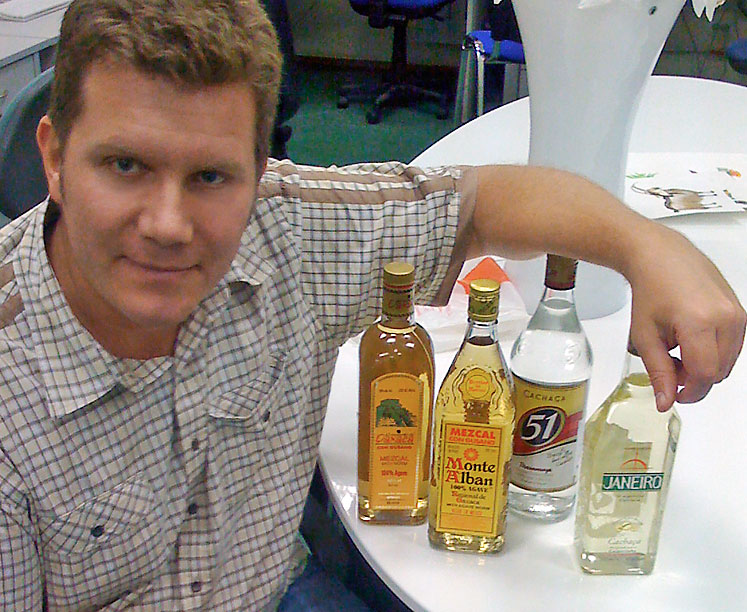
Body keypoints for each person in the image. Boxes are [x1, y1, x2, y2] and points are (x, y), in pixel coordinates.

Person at [0, 0, 743, 610]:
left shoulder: (289, 231)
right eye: (125, 164)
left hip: (268, 586)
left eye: (210, 177)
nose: (168, 224)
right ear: (55, 158)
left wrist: (653, 249)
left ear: (259, 171)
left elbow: (486, 201)